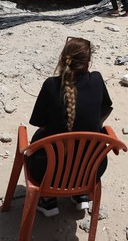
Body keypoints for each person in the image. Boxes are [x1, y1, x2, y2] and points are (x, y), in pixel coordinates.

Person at [27, 37, 113, 216]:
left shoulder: (51, 85)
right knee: (83, 144)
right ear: (88, 63)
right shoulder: (97, 79)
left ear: (62, 60)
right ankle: (81, 194)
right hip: (91, 170)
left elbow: (39, 122)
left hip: (47, 172)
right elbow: (106, 108)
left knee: (38, 139)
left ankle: (48, 200)